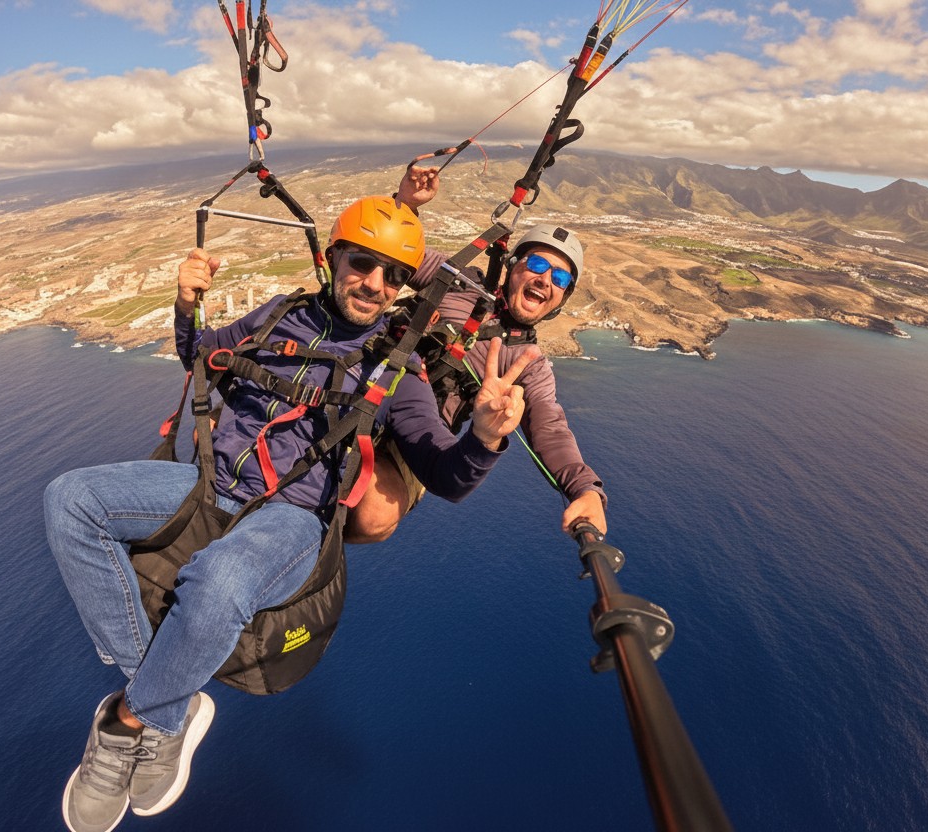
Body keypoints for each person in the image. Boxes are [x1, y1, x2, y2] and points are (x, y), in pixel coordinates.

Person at [45, 189, 536, 832]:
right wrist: (186, 305)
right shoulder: (281, 315)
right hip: (208, 481)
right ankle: (169, 701)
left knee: (219, 581)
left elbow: (446, 477)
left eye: (393, 275)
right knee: (69, 499)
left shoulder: (400, 370)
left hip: (291, 514)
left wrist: (485, 436)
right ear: (334, 258)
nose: (375, 283)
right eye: (362, 262)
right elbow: (200, 354)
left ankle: (130, 723)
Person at [345, 176, 607, 544]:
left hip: (417, 436)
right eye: (535, 264)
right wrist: (406, 204)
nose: (545, 279)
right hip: (361, 377)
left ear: (561, 298)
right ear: (513, 266)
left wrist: (585, 490)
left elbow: (549, 426)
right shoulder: (459, 283)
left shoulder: (528, 365)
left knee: (375, 516)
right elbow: (399, 254)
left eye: (560, 277)